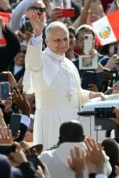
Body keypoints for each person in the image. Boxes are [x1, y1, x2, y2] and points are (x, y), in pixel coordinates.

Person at [24, 11, 103, 148]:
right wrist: (37, 34)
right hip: (51, 122)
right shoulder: (42, 59)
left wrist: (91, 95)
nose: (63, 43)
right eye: (57, 40)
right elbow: (33, 64)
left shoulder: (70, 63)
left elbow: (75, 93)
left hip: (74, 121)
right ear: (47, 41)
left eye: (65, 39)